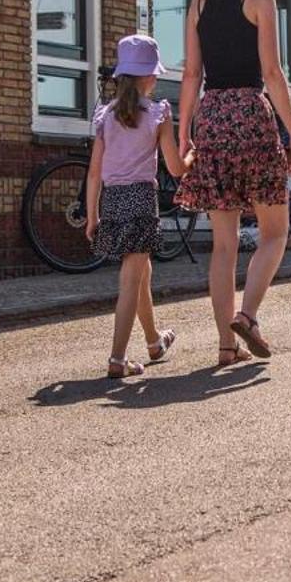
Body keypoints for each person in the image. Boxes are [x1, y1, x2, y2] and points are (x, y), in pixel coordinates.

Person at [175, 0, 291, 362]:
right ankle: (247, 315)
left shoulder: (198, 5)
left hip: (212, 117)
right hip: (251, 113)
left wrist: (183, 132)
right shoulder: (260, 1)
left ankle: (226, 346)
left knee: (224, 243)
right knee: (275, 230)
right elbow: (272, 73)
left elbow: (191, 74)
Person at [86, 35, 192, 379]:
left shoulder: (105, 117)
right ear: (148, 77)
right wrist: (193, 153)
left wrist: (92, 215)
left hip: (113, 200)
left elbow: (94, 172)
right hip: (142, 200)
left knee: (143, 272)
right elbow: (176, 168)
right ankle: (117, 358)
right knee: (131, 278)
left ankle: (153, 340)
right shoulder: (158, 114)